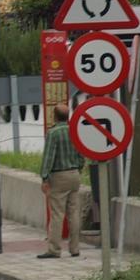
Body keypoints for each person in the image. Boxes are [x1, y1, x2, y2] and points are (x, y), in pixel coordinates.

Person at [38, 102, 86, 258]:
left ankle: (54, 249)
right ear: (68, 116)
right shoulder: (75, 131)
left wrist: (44, 177)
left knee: (57, 214)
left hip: (59, 176)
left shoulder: (53, 133)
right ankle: (75, 248)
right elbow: (81, 153)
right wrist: (79, 168)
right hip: (74, 174)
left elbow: (49, 157)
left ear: (55, 116)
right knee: (74, 212)